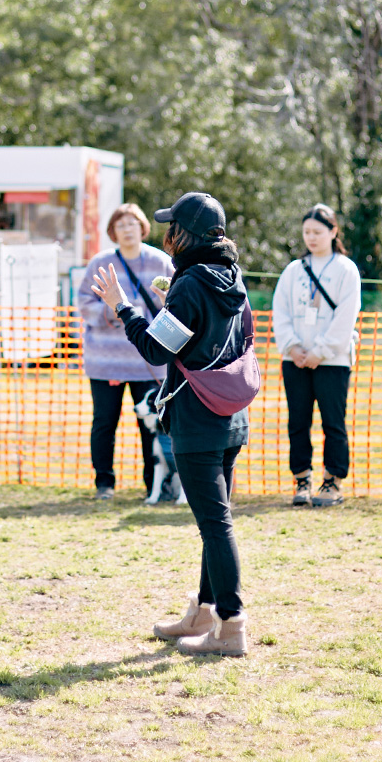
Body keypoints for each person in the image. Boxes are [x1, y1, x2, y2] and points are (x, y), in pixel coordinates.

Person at [91, 191, 253, 656]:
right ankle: (204, 611)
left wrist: (124, 307)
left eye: (171, 227)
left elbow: (158, 350)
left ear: (184, 235)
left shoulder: (190, 283)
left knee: (215, 525)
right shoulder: (230, 275)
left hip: (198, 418)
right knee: (214, 520)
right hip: (232, 413)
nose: (166, 234)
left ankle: (231, 624)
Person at [76, 203, 174, 498]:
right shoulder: (100, 263)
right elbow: (83, 302)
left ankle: (153, 485)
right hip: (105, 362)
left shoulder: (161, 262)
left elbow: (177, 303)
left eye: (132, 223)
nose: (127, 229)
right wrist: (114, 311)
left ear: (143, 227)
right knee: (104, 423)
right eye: (121, 225)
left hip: (148, 361)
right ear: (112, 232)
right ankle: (104, 483)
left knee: (152, 425)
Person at [271, 204, 362, 507]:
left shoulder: (346, 270)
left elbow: (346, 317)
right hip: (294, 359)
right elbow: (280, 311)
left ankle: (332, 482)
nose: (311, 237)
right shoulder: (293, 271)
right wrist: (292, 347)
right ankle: (301, 479)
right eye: (307, 232)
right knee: (298, 421)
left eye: (318, 232)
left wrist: (320, 351)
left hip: (332, 361)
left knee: (332, 421)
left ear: (333, 232)